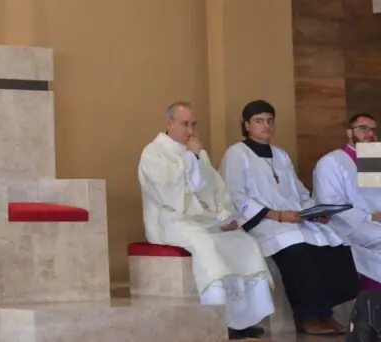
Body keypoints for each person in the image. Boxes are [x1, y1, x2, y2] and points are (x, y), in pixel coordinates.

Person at [138, 101, 274, 340]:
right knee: (205, 245)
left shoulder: (197, 152)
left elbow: (215, 189)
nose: (190, 131)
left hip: (203, 220)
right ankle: (215, 321)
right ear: (169, 123)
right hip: (171, 221)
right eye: (184, 124)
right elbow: (167, 192)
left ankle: (239, 321)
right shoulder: (154, 153)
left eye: (193, 124)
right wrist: (190, 158)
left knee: (243, 243)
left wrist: (225, 216)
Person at [220, 100, 357, 335]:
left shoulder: (280, 155)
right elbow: (235, 196)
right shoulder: (236, 153)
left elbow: (300, 192)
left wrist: (315, 212)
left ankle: (326, 311)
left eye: (270, 120)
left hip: (293, 218)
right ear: (247, 125)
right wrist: (278, 215)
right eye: (259, 121)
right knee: (298, 248)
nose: (266, 126)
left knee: (334, 241)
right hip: (265, 222)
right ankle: (306, 316)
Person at [312, 112, 381, 291]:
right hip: (346, 224)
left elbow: (375, 198)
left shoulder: (373, 160)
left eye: (373, 130)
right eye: (363, 129)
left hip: (372, 222)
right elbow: (330, 205)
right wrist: (372, 217)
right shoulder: (331, 161)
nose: (370, 134)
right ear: (349, 133)